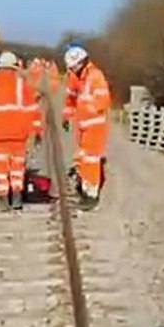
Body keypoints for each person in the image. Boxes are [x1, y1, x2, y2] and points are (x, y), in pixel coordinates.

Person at [0, 51, 42, 210]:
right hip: (18, 133)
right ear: (15, 66)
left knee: (0, 169)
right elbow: (33, 109)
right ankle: (16, 198)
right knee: (17, 168)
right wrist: (36, 131)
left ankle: (2, 199)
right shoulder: (23, 85)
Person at [62, 43, 111, 209]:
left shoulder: (96, 76)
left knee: (91, 160)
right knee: (83, 158)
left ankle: (91, 195)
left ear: (81, 63)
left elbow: (103, 101)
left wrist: (88, 110)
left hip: (95, 126)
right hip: (83, 126)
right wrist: (67, 116)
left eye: (73, 68)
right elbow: (71, 98)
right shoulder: (77, 78)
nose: (72, 71)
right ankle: (84, 187)